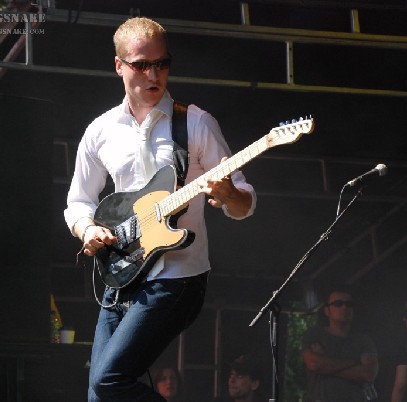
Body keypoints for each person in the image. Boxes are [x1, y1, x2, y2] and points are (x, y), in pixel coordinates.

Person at [63, 16, 256, 401]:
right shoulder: (100, 131)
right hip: (122, 272)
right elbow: (78, 201)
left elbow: (244, 198)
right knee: (98, 396)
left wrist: (228, 196)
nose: (154, 74)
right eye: (141, 65)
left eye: (162, 63)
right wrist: (88, 229)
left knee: (109, 381)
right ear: (119, 66)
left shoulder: (196, 123)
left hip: (178, 277)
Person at [301, 285, 379, 402]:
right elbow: (313, 363)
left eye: (349, 304)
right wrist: (354, 363)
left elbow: (368, 374)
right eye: (338, 304)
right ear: (327, 311)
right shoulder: (314, 335)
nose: (344, 307)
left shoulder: (363, 340)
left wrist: (325, 363)